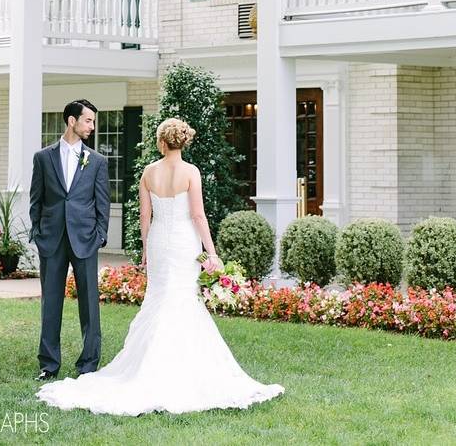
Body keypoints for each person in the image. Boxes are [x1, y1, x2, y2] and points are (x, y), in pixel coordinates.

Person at [36, 117, 284, 415]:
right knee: (182, 300)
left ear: (161, 142)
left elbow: (144, 217)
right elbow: (198, 216)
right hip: (183, 242)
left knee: (159, 299)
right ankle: (183, 368)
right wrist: (212, 252)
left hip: (159, 242)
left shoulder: (148, 172)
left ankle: (149, 366)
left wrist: (145, 248)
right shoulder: (191, 172)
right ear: (182, 141)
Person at [28, 99, 110, 381]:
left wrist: (100, 234)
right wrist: (37, 232)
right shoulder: (43, 157)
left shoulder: (97, 161)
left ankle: (88, 364)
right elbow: (35, 200)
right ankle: (48, 364)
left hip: (86, 238)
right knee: (50, 302)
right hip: (51, 239)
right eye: (88, 120)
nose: (92, 126)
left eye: (93, 121)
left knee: (89, 303)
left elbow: (103, 202)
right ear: (71, 121)